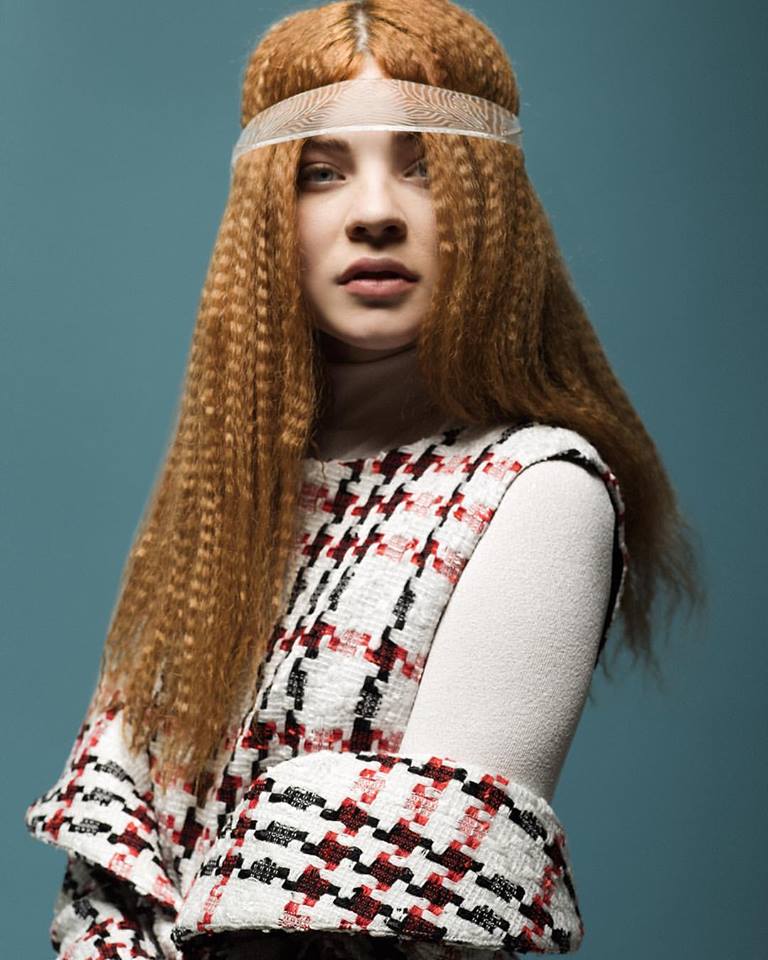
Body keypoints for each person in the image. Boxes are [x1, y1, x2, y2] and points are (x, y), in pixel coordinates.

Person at [23, 2, 704, 958]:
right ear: (267, 215)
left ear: (489, 205)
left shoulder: (537, 490)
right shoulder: (229, 499)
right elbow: (111, 873)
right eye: (321, 171)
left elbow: (395, 910)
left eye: (423, 165)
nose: (375, 211)